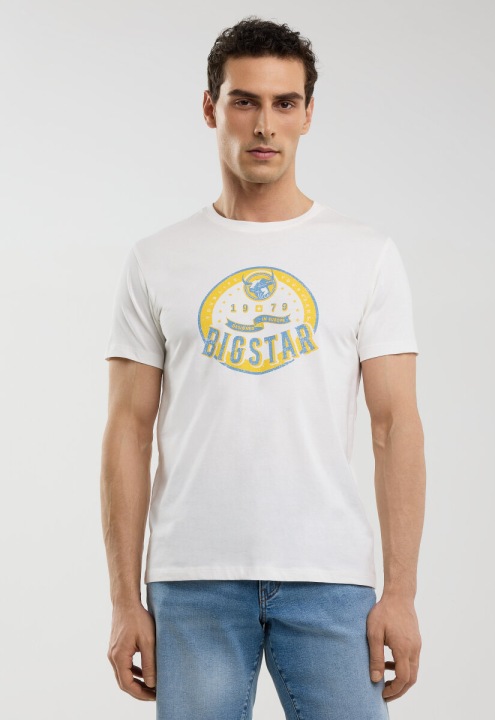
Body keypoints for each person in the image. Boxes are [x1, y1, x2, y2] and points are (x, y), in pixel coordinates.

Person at [101, 15, 425, 720]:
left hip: (330, 576)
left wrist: (400, 594)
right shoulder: (156, 259)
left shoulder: (366, 254)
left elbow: (395, 425)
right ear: (211, 107)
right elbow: (127, 428)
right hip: (192, 580)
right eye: (245, 101)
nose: (265, 125)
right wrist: (125, 601)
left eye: (284, 103)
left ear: (308, 114)